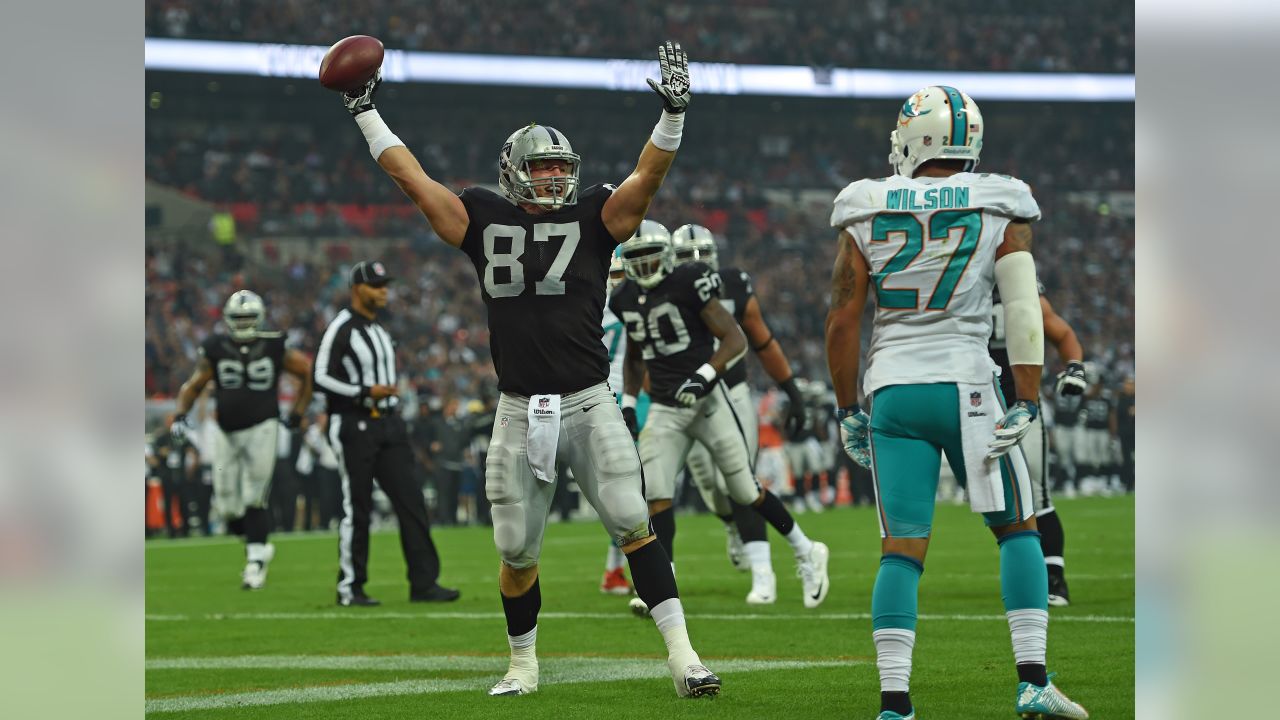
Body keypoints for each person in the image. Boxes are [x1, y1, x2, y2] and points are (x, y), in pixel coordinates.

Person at [338, 42, 720, 697]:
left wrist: (673, 117)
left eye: (557, 168)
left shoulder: (597, 215)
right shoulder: (483, 217)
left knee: (635, 524)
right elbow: (414, 181)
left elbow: (645, 180)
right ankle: (522, 664)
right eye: (540, 169)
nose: (551, 179)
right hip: (520, 407)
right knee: (515, 550)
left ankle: (685, 659)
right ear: (514, 172)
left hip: (591, 400)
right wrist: (366, 113)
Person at [825, 86, 1088, 719]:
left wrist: (846, 409)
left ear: (916, 137)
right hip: (968, 383)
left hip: (892, 389)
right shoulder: (1001, 201)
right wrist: (1025, 397)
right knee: (1017, 529)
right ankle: (1031, 680)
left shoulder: (865, 205)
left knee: (901, 548)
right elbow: (1022, 307)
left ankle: (895, 704)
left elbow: (841, 320)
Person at [612, 221, 829, 610]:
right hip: (664, 405)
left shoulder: (689, 282)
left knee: (744, 489)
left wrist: (704, 375)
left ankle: (806, 548)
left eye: (650, 256)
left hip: (710, 401)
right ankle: (664, 583)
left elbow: (735, 338)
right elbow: (633, 354)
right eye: (635, 258)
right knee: (655, 495)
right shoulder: (624, 297)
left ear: (666, 255)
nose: (644, 266)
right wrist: (629, 403)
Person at [667, 223, 810, 605]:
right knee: (712, 490)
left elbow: (761, 338)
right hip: (685, 399)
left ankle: (764, 576)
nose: (695, 264)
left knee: (739, 481)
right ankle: (732, 526)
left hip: (731, 390)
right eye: (685, 258)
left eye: (701, 256)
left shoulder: (732, 284)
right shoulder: (661, 290)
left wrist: (791, 390)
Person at [314, 261, 459, 607]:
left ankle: (424, 582)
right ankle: (351, 586)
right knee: (357, 507)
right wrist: (364, 392)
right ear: (357, 289)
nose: (383, 291)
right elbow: (320, 376)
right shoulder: (342, 328)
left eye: (385, 285)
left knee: (412, 500)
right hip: (354, 423)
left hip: (389, 424)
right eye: (376, 285)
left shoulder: (379, 330)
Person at [170, 290, 314, 589]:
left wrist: (298, 412)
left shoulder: (274, 344)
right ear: (228, 319)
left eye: (248, 317)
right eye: (239, 318)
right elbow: (194, 384)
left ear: (259, 317)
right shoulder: (215, 347)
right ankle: (257, 546)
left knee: (254, 496)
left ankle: (255, 562)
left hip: (263, 426)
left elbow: (305, 372)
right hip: (226, 430)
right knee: (226, 507)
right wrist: (181, 415)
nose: (244, 323)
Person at [991, 284, 1088, 607]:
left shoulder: (1019, 290)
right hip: (973, 407)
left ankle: (1054, 578)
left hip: (1021, 405)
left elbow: (1062, 334)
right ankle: (1026, 570)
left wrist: (1074, 367)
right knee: (994, 500)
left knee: (1036, 492)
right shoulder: (957, 287)